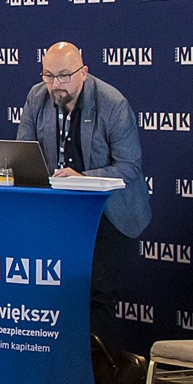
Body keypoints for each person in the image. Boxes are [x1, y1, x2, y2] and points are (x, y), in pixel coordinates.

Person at [17, 42, 151, 339]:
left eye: (64, 76)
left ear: (84, 72)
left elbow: (129, 167)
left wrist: (81, 177)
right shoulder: (37, 97)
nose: (56, 84)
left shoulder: (112, 103)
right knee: (56, 291)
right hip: (62, 212)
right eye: (49, 75)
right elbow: (23, 153)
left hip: (110, 210)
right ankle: (58, 360)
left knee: (98, 294)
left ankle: (94, 364)